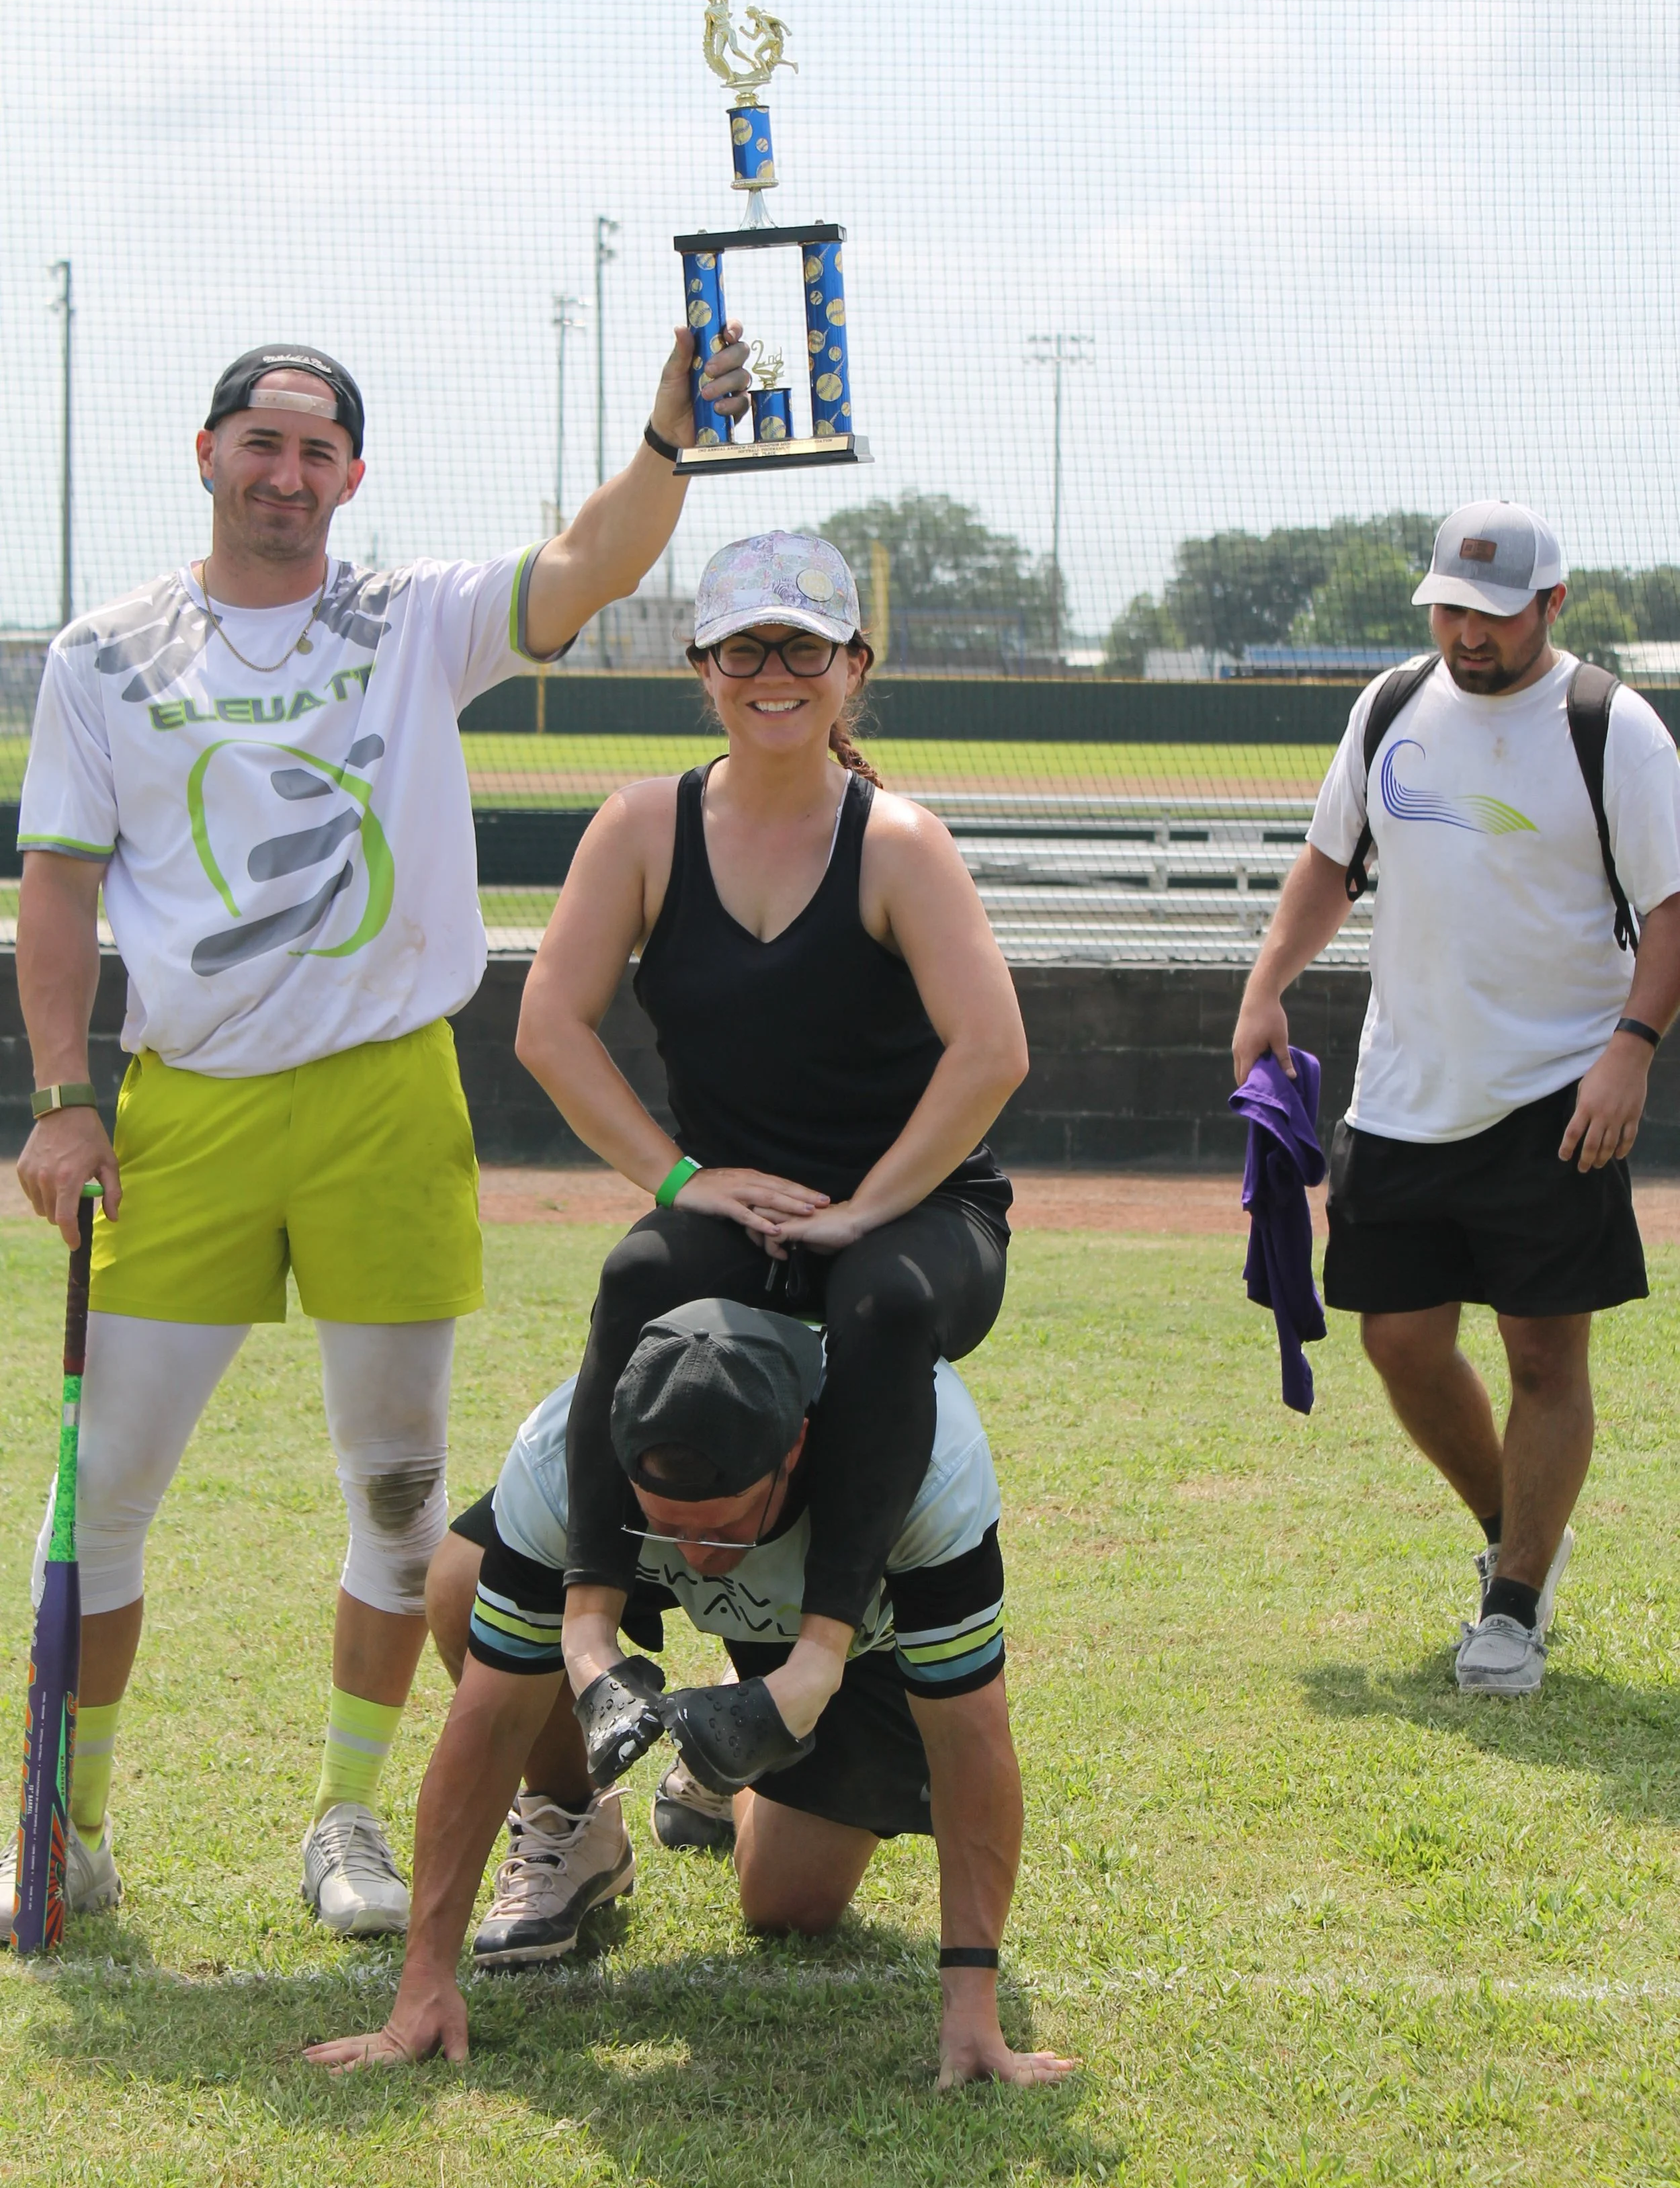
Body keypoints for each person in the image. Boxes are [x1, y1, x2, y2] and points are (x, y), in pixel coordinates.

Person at [9, 323, 753, 1935]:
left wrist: (668, 440)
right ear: (205, 456)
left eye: (318, 450)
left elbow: (585, 561)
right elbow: (57, 884)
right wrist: (65, 1096)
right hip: (182, 1112)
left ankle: (342, 1813)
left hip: (385, 1097)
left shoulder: (409, 619)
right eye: (259, 444)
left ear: (353, 476)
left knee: (404, 1497)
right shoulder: (103, 653)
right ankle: (66, 1823)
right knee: (104, 1492)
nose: (286, 474)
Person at [509, 528, 1029, 1798]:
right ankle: (593, 1639)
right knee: (641, 1271)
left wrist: (868, 1211)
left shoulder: (899, 842)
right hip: (736, 1202)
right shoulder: (644, 827)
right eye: (745, 647)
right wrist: (683, 1182)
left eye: (804, 646)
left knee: (885, 1301)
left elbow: (992, 1054)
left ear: (854, 666)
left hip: (921, 1214)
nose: (773, 671)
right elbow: (547, 1027)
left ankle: (809, 1669)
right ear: (702, 669)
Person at [304, 1297, 1075, 2091]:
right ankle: (574, 1825)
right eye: (665, 1524)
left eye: (724, 1528)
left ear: (795, 1452)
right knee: (466, 1583)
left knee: (789, 1904)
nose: (700, 1559)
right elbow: (488, 1720)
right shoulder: (558, 1453)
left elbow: (971, 1738)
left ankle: (741, 1730)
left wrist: (973, 2003)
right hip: (664, 1552)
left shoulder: (928, 1467)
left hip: (840, 1633)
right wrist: (423, 1981)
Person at [1232, 500, 1680, 1695]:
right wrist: (1266, 985)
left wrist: (1631, 1048)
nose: (1466, 636)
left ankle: (1516, 1607)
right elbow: (1331, 863)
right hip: (1404, 1089)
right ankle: (1517, 1537)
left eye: (1491, 615)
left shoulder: (1614, 731)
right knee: (1401, 1342)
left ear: (1552, 607)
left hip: (1559, 1089)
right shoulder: (1387, 708)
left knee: (1544, 1353)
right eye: (1449, 610)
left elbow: (1675, 908)